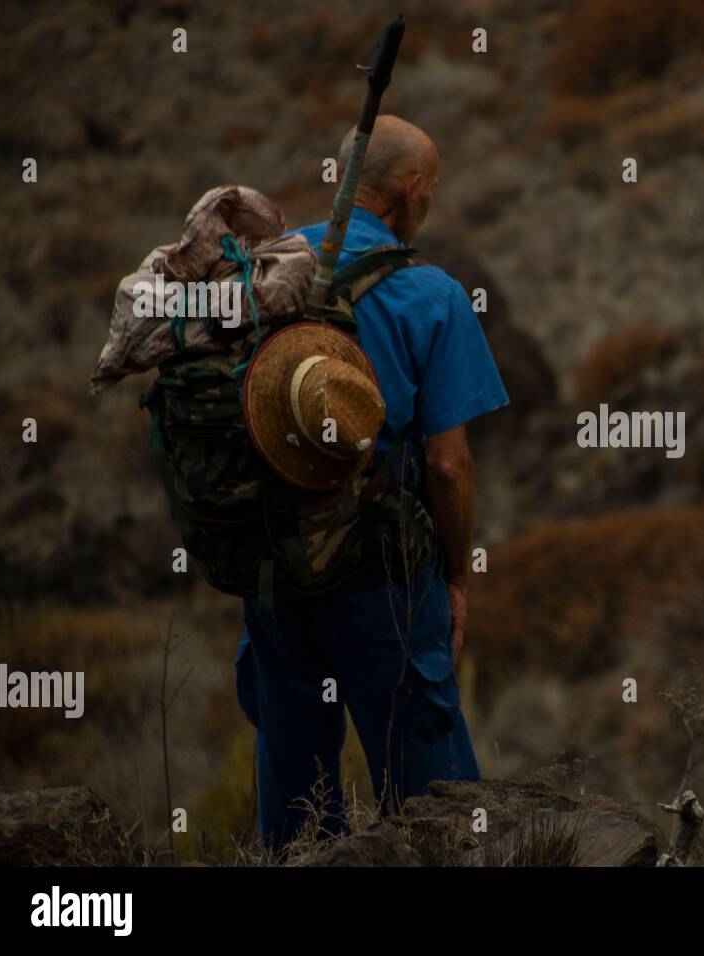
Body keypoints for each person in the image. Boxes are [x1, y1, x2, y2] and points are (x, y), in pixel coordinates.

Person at [234, 115, 509, 852]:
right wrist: (456, 579)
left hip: (273, 571)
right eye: (434, 188)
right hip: (381, 578)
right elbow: (450, 465)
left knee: (295, 808)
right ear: (412, 192)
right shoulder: (432, 295)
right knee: (435, 801)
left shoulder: (262, 270)